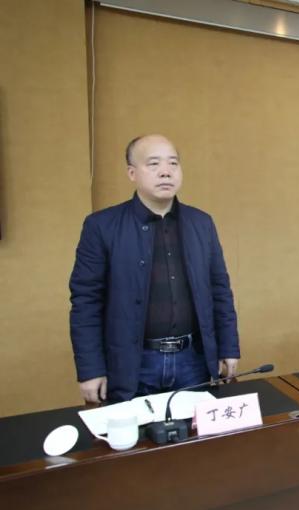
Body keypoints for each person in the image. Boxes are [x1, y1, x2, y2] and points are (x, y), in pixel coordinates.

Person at [69, 134, 240, 403]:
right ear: (132, 173)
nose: (165, 171)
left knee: (197, 431)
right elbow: (85, 302)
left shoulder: (201, 223)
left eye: (173, 163)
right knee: (136, 432)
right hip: (132, 364)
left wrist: (228, 347)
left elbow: (220, 291)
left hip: (193, 360)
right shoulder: (101, 226)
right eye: (153, 164)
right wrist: (91, 369)